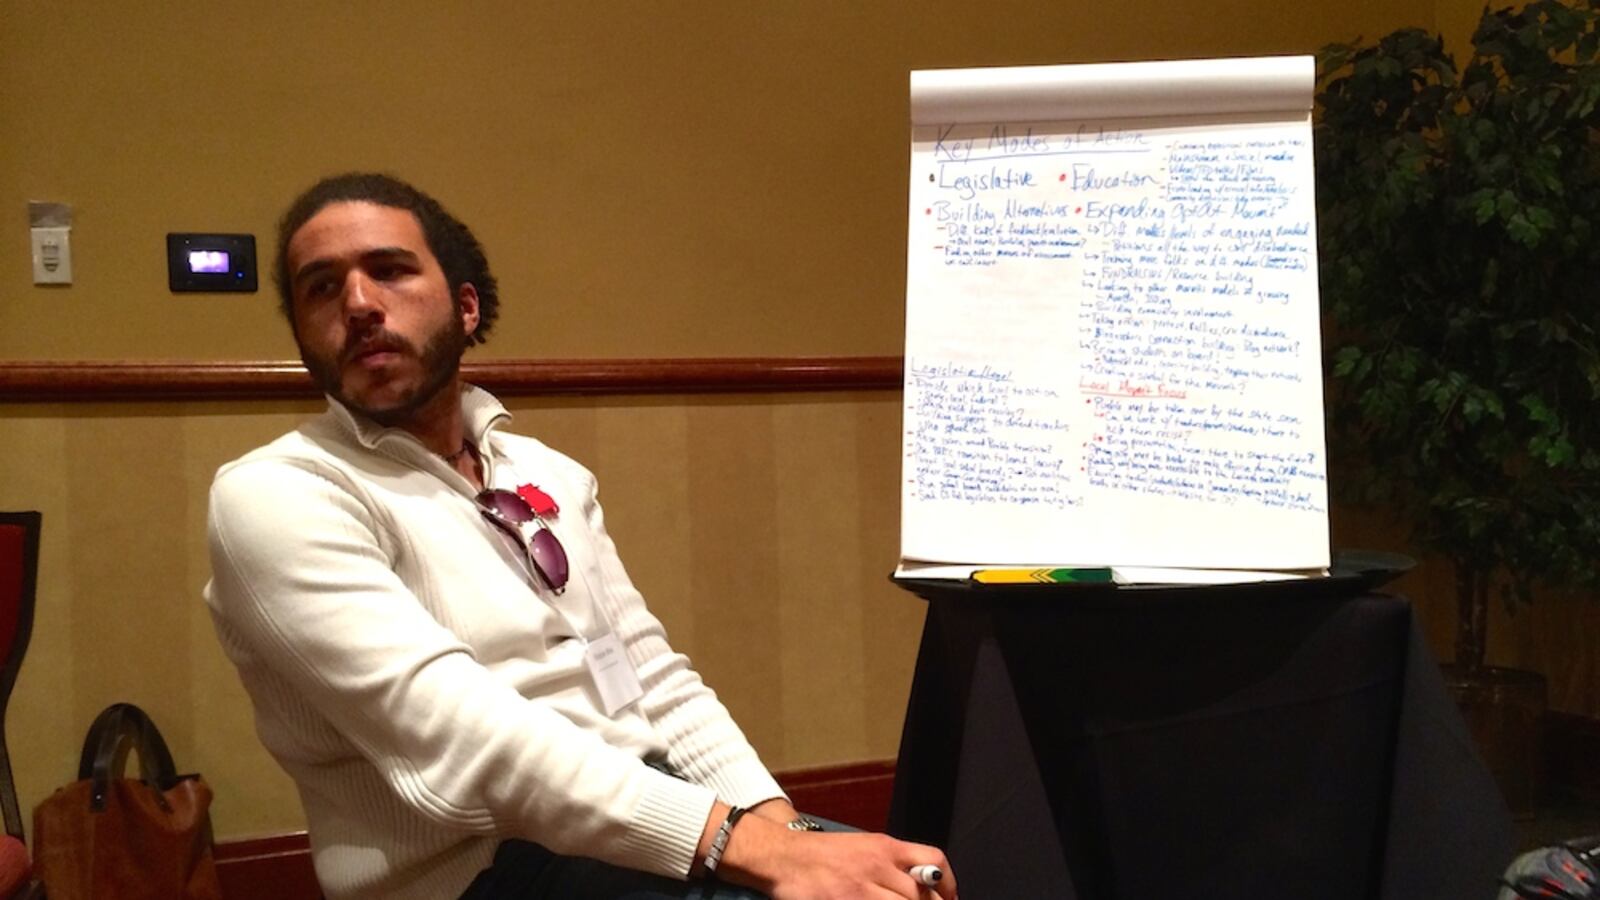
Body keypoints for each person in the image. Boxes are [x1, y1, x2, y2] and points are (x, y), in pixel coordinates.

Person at [204, 172, 956, 900]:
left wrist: (786, 830)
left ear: (466, 307)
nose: (360, 303)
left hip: (649, 815)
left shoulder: (545, 471)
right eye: (322, 287)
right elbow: (472, 743)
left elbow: (652, 680)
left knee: (912, 883)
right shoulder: (277, 496)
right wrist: (754, 850)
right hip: (481, 871)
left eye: (389, 270)